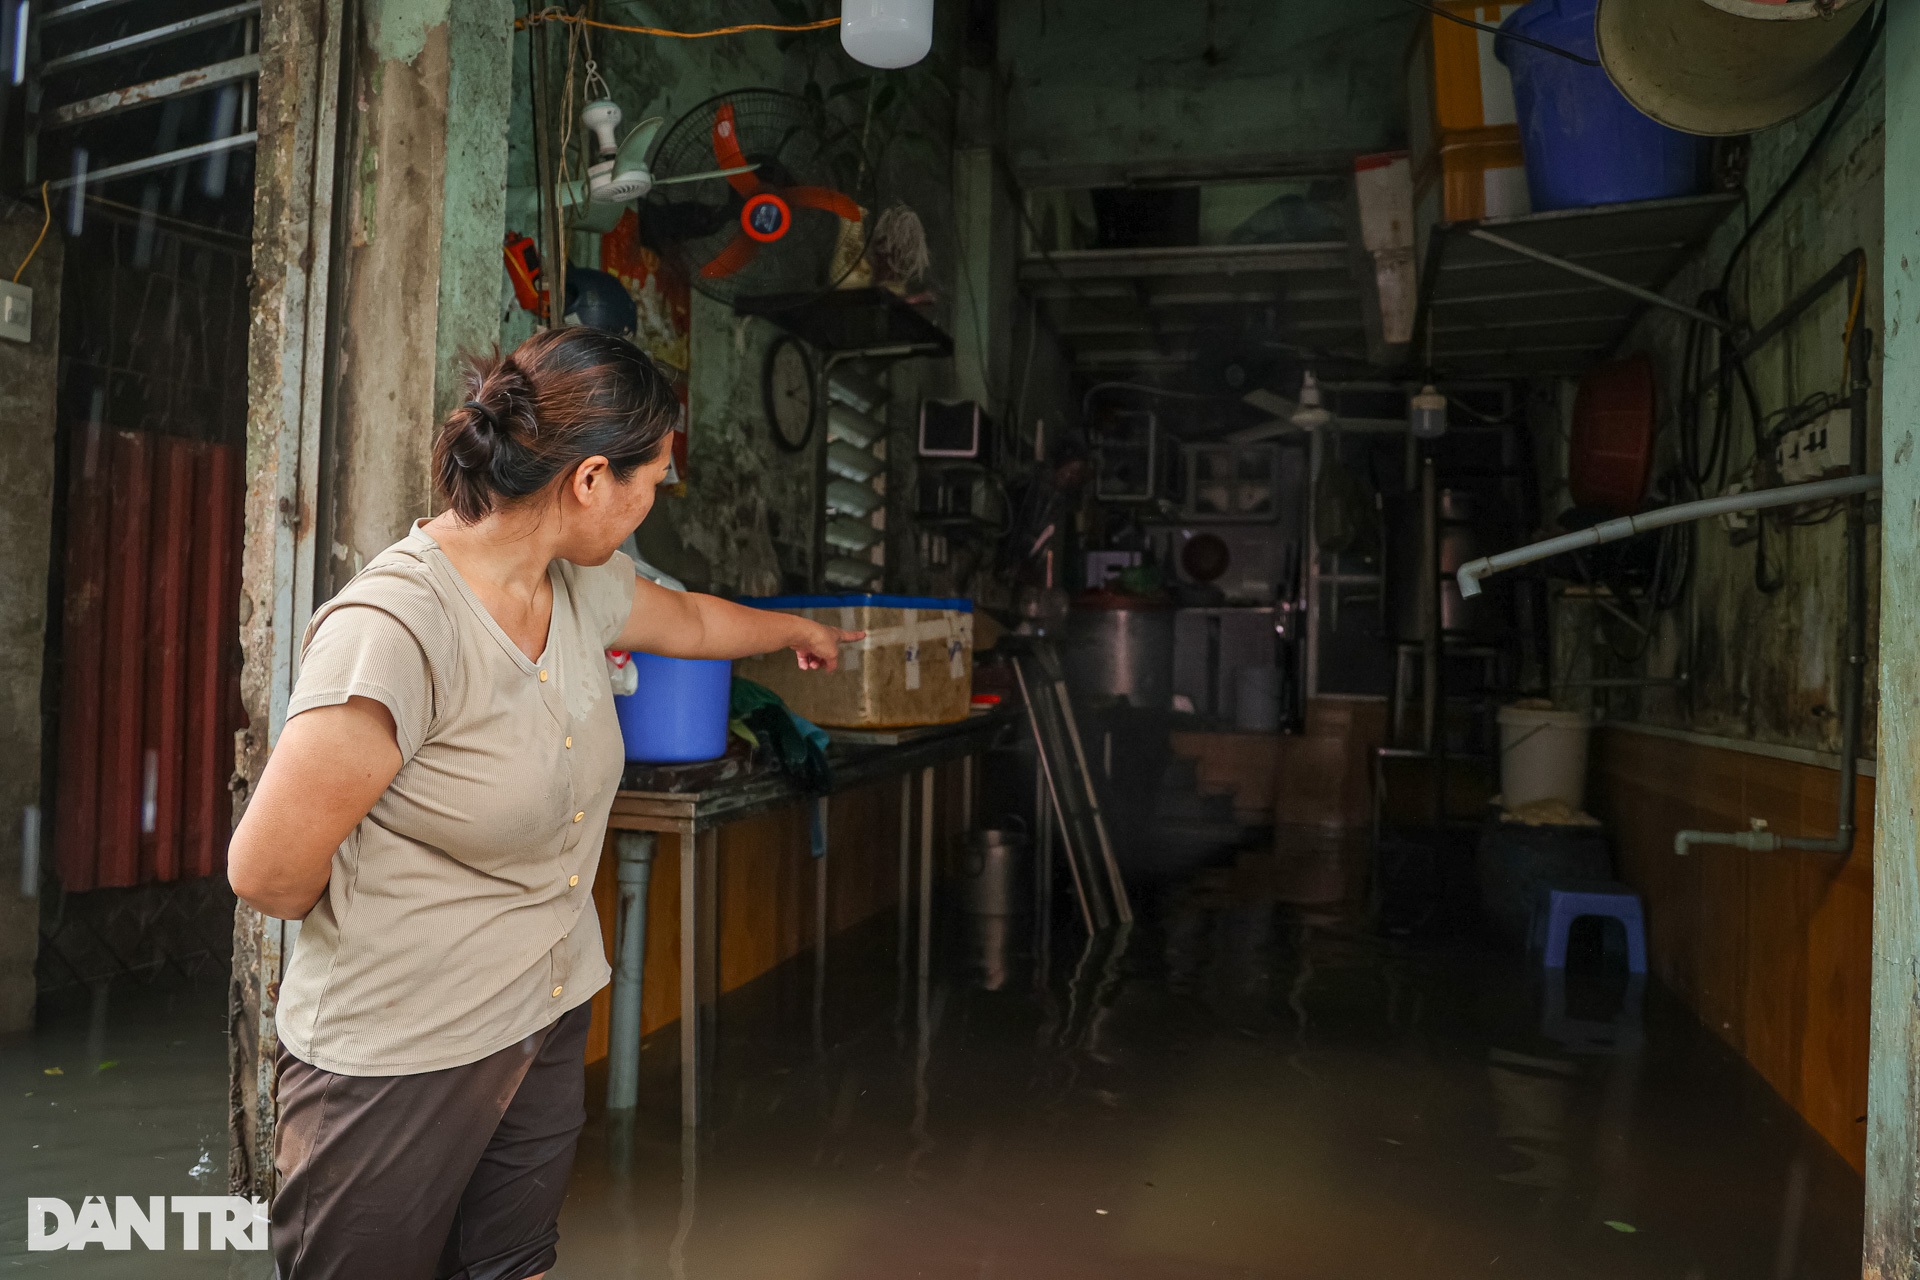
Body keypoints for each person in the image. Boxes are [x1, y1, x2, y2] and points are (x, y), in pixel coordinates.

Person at [227, 326, 858, 1279]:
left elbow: (685, 619)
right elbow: (269, 872)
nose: (655, 502)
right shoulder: (397, 629)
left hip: (544, 1012)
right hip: (400, 1051)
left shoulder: (581, 579)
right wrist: (406, 923)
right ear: (592, 479)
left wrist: (794, 629)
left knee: (506, 1266)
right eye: (653, 482)